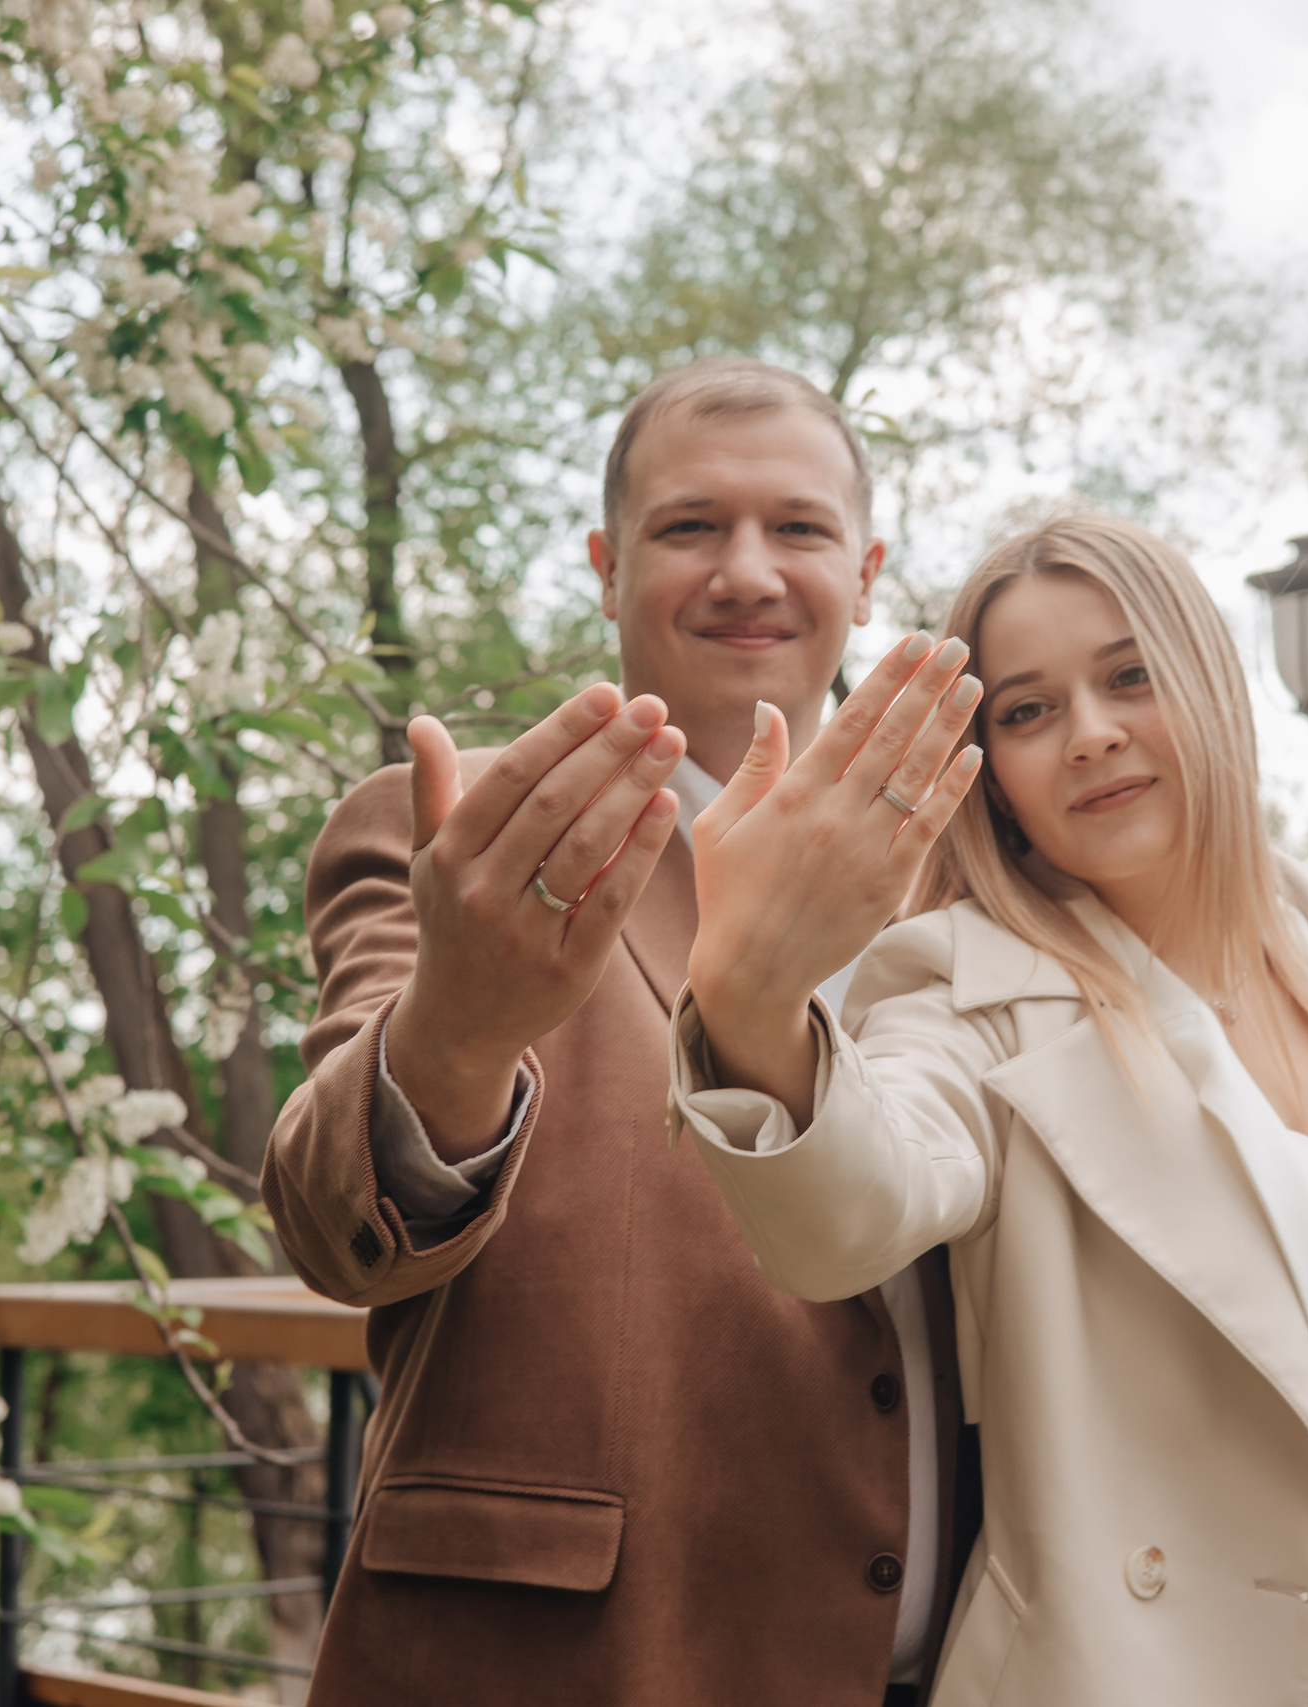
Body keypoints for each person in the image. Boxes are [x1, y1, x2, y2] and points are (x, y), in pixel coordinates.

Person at [669, 515, 1308, 1706]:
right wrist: (752, 1000)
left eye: (1128, 677)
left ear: (1209, 681)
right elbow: (852, 1215)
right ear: (990, 773)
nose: (1091, 734)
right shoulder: (962, 987)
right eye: (1027, 710)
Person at [261, 358, 973, 1707]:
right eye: (691, 525)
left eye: (799, 527)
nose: (748, 572)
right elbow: (324, 1218)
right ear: (606, 566)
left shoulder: (959, 884)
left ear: (867, 572)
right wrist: (453, 1034)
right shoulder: (468, 835)